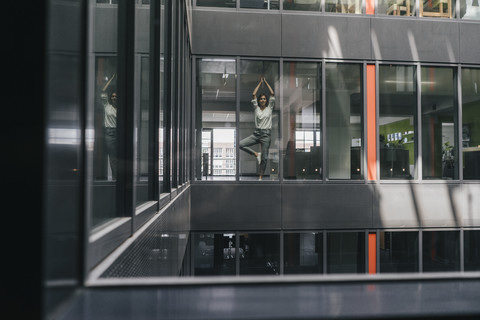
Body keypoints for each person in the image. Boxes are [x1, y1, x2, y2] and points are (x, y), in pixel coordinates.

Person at [239, 75, 275, 180]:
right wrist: (260, 83)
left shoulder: (270, 108)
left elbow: (272, 93)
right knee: (241, 144)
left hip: (266, 135)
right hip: (256, 134)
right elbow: (254, 94)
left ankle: (260, 176)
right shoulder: (256, 108)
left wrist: (266, 82)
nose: (263, 100)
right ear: (259, 101)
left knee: (264, 158)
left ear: (266, 100)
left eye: (264, 99)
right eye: (261, 99)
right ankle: (255, 154)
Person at [100, 73, 118, 180]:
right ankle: (115, 178)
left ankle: (119, 177)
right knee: (113, 157)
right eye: (113, 96)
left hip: (119, 133)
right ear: (111, 98)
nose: (114, 98)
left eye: (116, 96)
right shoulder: (107, 106)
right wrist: (111, 79)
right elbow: (103, 91)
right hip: (110, 133)